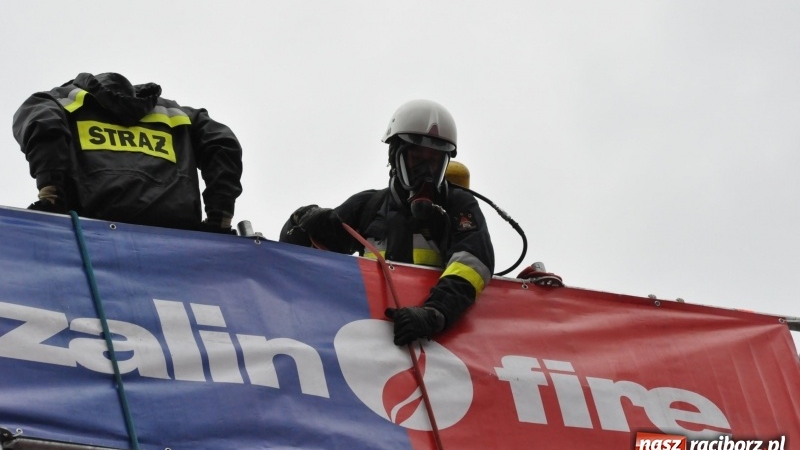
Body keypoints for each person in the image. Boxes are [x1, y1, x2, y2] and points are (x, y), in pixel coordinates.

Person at [280, 99, 494, 345]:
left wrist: (435, 314)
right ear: (395, 157)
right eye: (416, 158)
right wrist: (302, 221)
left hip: (437, 344)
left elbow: (473, 263)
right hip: (370, 339)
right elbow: (298, 258)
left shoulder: (457, 206)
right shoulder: (369, 206)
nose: (426, 172)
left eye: (434, 162)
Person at [12, 72, 243, 233]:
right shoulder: (178, 113)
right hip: (177, 239)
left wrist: (51, 195)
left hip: (87, 233)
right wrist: (219, 216)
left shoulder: (57, 101)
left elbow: (44, 128)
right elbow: (223, 144)